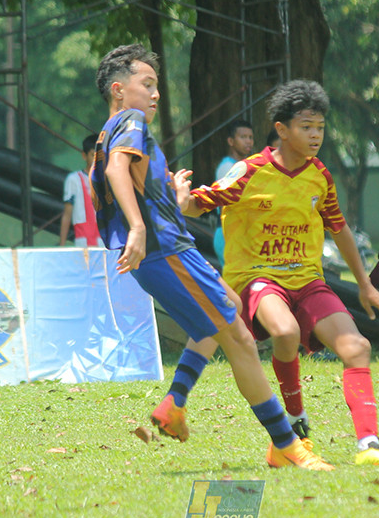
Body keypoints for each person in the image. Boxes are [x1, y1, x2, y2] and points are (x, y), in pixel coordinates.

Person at [90, 44, 332, 471]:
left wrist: (173, 196)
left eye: (156, 86)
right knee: (239, 337)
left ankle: (175, 402)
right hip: (166, 252)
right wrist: (141, 228)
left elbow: (131, 179)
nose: (156, 94)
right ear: (118, 89)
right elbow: (115, 172)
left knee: (232, 306)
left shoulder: (109, 130)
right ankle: (285, 444)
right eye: (146, 85)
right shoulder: (129, 121)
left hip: (173, 248)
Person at [177, 79, 379, 466]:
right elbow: (200, 203)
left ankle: (369, 445)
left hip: (308, 281)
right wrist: (180, 200)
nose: (315, 136)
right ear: (282, 129)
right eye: (306, 127)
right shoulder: (249, 171)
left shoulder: (320, 176)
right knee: (285, 332)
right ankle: (297, 426)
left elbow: (340, 228)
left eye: (320, 128)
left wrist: (365, 285)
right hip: (258, 280)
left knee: (357, 348)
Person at [212, 119, 255, 265]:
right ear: (231, 141)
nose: (248, 142)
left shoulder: (244, 167)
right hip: (227, 234)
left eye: (250, 137)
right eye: (243, 137)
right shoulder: (228, 168)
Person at [59, 134, 103, 248]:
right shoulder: (73, 180)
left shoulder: (108, 180)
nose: (96, 160)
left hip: (104, 242)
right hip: (82, 242)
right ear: (84, 156)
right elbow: (67, 214)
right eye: (93, 155)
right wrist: (62, 245)